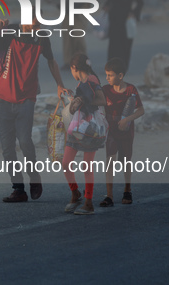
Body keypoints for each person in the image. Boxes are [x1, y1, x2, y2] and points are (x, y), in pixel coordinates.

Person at [0, 18, 68, 203]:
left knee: (26, 141)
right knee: (7, 148)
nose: (38, 28)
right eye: (35, 25)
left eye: (40, 25)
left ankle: (34, 177)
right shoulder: (10, 32)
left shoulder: (42, 37)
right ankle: (18, 188)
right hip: (2, 96)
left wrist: (60, 84)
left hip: (27, 96)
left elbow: (52, 61)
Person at [61, 53, 106, 215]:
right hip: (77, 126)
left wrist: (82, 101)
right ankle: (75, 194)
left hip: (90, 128)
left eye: (71, 70)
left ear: (74, 67)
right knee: (66, 162)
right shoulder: (83, 82)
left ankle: (88, 202)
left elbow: (102, 100)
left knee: (87, 166)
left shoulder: (92, 80)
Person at [100, 57, 144, 207]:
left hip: (126, 131)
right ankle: (109, 195)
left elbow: (141, 110)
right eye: (106, 75)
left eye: (110, 75)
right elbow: (96, 103)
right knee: (110, 161)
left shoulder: (131, 90)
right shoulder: (105, 90)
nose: (107, 78)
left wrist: (127, 120)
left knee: (126, 162)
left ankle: (127, 189)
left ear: (120, 75)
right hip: (111, 131)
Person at [103, 0, 144, 72]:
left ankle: (122, 68)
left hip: (125, 21)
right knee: (113, 45)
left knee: (125, 45)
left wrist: (134, 13)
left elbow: (140, 2)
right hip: (114, 19)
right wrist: (107, 5)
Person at [61, 0, 97, 66]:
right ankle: (68, 62)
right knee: (67, 38)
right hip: (67, 12)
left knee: (78, 37)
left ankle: (83, 61)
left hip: (80, 13)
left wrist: (86, 0)